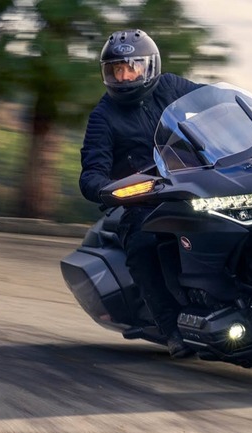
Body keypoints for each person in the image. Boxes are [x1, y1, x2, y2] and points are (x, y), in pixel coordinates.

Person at [79, 29, 203, 358]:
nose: (123, 76)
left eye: (131, 67)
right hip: (144, 200)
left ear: (149, 67)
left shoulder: (171, 87)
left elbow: (215, 100)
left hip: (195, 182)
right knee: (143, 244)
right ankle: (171, 327)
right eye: (116, 69)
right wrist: (108, 189)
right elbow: (91, 172)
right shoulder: (103, 116)